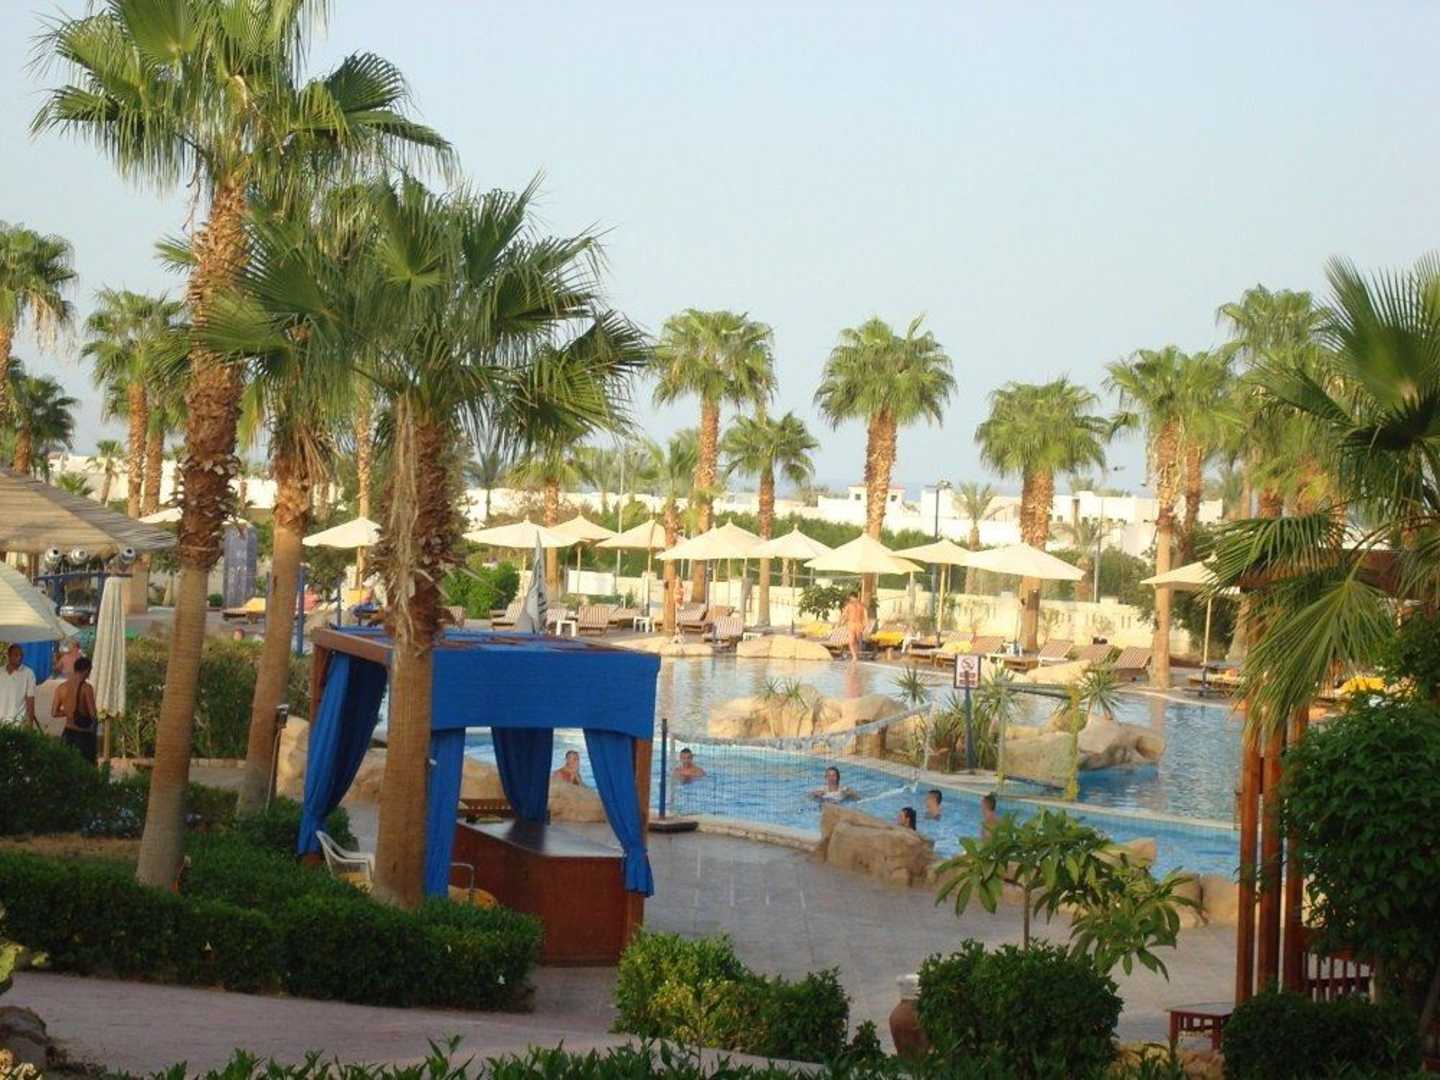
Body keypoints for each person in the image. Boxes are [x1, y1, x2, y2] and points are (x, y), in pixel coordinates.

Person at [53, 656, 98, 765]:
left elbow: (54, 713)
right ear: (86, 670)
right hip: (83, 734)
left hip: (67, 733)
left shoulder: (61, 688)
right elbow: (93, 714)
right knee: (86, 769)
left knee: (67, 767)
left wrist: (68, 712)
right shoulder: (87, 688)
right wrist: (93, 736)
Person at [0, 644, 38, 730]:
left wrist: (30, 724)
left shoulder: (28, 673)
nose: (20, 657)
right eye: (16, 655)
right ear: (9, 656)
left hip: (18, 723)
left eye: (21, 655)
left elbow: (30, 700)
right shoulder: (1, 672)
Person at [842, 591, 866, 661]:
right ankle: (854, 656)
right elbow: (844, 615)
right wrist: (841, 623)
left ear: (854, 597)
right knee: (851, 641)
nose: (851, 599)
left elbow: (865, 616)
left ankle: (856, 655)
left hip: (858, 624)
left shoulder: (861, 606)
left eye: (851, 598)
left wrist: (865, 625)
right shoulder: (849, 606)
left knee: (857, 641)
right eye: (850, 598)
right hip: (852, 624)